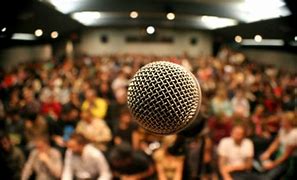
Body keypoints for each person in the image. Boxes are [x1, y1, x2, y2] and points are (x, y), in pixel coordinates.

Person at [260, 111, 297, 180]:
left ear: (289, 122)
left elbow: (287, 154)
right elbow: (276, 142)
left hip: (291, 160)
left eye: (283, 121)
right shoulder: (283, 129)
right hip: (281, 155)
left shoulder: (294, 134)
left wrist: (273, 165)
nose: (281, 122)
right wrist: (268, 153)